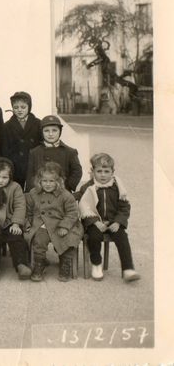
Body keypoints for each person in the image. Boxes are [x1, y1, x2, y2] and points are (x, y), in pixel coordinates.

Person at [77, 153, 140, 282]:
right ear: (92, 171)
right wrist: (94, 222)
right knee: (93, 237)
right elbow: (84, 208)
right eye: (99, 171)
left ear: (113, 172)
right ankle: (96, 264)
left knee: (122, 237)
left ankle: (128, 268)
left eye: (107, 171)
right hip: (95, 222)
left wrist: (118, 222)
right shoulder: (87, 188)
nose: (103, 175)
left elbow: (124, 208)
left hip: (113, 222)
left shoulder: (118, 188)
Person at [25, 162, 82, 282]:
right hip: (41, 223)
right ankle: (39, 264)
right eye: (44, 181)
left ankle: (65, 263)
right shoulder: (33, 193)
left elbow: (72, 213)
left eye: (52, 181)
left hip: (61, 223)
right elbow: (28, 211)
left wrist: (65, 226)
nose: (48, 184)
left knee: (67, 238)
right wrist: (29, 224)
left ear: (59, 181)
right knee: (39, 240)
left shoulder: (66, 195)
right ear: (39, 181)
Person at [25, 115, 82, 193]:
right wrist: (34, 191)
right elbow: (30, 176)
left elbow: (77, 171)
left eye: (54, 130)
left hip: (61, 194)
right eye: (46, 131)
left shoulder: (70, 152)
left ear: (60, 131)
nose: (50, 134)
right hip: (40, 194)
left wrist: (66, 186)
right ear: (41, 132)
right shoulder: (34, 152)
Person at [0, 91, 42, 188]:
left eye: (23, 107)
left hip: (33, 164)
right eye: (16, 107)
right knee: (16, 190)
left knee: (32, 190)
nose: (19, 110)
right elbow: (5, 148)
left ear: (29, 107)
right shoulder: (7, 126)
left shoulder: (38, 123)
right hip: (15, 166)